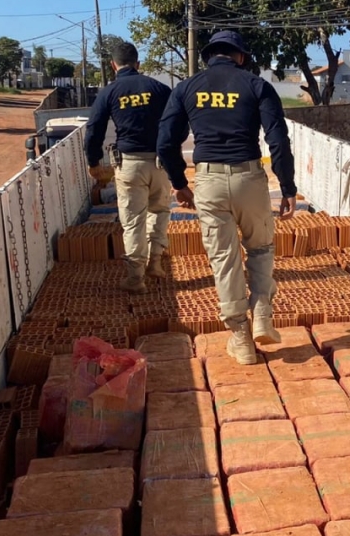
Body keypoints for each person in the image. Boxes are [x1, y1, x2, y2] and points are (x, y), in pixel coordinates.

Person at [157, 31, 297, 365]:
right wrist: (288, 187)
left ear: (208, 57)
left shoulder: (187, 88)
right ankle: (262, 312)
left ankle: (241, 339)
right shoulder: (256, 85)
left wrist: (179, 182)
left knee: (224, 259)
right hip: (249, 177)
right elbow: (278, 139)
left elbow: (165, 141)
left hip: (208, 181)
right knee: (260, 248)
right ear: (241, 56)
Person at [84, 41, 173, 294]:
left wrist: (93, 163)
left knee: (134, 220)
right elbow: (178, 122)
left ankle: (136, 278)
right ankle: (155, 263)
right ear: (138, 64)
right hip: (159, 162)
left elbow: (94, 132)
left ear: (113, 65)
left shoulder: (109, 92)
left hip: (129, 164)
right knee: (159, 211)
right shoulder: (158, 88)